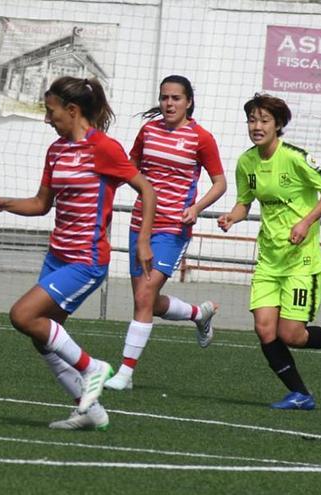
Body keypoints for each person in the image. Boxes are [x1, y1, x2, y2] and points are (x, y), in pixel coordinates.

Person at [0, 76, 156, 430]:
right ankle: (89, 412)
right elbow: (42, 204)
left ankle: (93, 367)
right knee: (42, 337)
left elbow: (146, 190)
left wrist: (143, 240)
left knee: (22, 315)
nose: (47, 119)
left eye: (51, 111)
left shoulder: (104, 148)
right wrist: (6, 203)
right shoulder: (57, 150)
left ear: (73, 110)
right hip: (56, 256)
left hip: (85, 261)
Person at [218, 93, 321, 410]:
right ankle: (301, 394)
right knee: (264, 329)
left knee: (292, 334)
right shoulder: (246, 162)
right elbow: (245, 201)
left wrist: (306, 222)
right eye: (252, 120)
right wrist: (232, 217)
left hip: (300, 261)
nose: (257, 126)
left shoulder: (294, 157)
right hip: (268, 260)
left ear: (278, 124)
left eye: (264, 120)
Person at [105, 75, 227, 391]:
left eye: (175, 98)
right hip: (139, 224)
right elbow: (130, 169)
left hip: (173, 227)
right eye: (164, 98)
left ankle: (125, 374)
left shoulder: (201, 138)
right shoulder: (148, 131)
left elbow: (220, 183)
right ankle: (199, 314)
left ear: (188, 102)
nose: (169, 104)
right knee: (147, 301)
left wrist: (196, 208)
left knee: (145, 296)